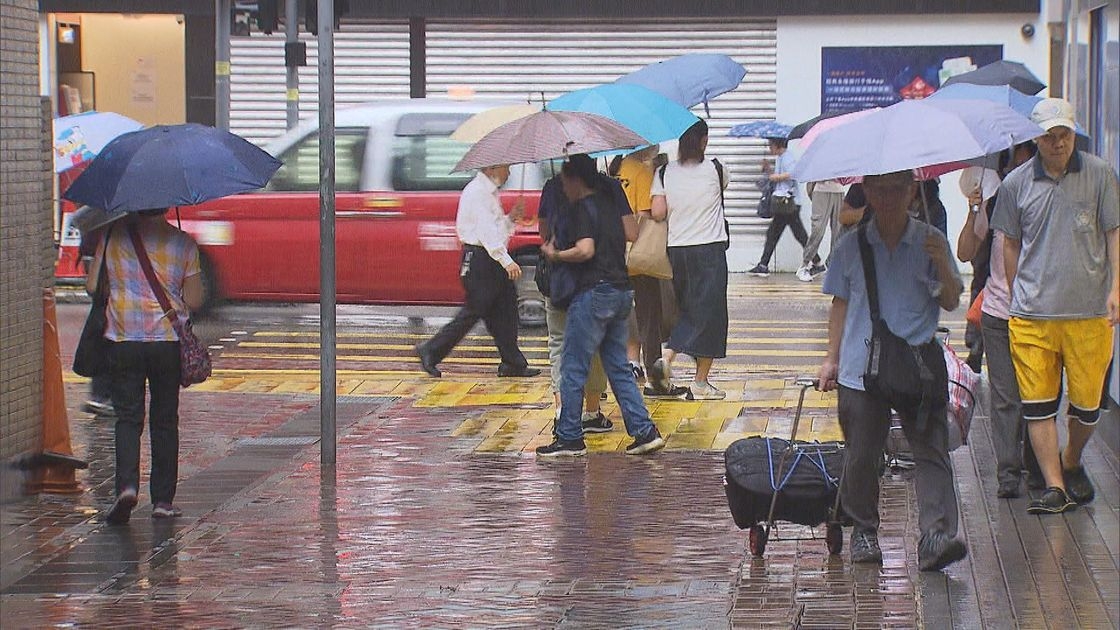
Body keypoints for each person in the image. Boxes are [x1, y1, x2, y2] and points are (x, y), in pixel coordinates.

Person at [818, 169, 967, 572]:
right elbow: (840, 305)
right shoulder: (851, 247)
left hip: (918, 367)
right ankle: (864, 529)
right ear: (866, 191)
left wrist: (945, 268)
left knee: (931, 451)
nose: (887, 197)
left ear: (912, 190)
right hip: (860, 369)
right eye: (878, 189)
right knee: (862, 456)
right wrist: (830, 358)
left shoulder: (931, 241)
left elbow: (951, 300)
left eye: (896, 188)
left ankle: (935, 535)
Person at [991, 98, 1120, 515]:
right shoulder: (1015, 184)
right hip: (1033, 315)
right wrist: (1016, 294)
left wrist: (1116, 288)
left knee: (1088, 405)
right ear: (1036, 139)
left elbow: (1113, 233)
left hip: (1090, 313)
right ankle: (1054, 485)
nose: (1058, 142)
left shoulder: (1100, 175)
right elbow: (1010, 242)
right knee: (1038, 404)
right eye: (1049, 136)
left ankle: (1072, 460)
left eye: (1065, 134)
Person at [535, 157, 665, 457]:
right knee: (618, 367)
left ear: (575, 180)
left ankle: (569, 436)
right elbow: (632, 232)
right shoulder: (611, 193)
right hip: (619, 289)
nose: (563, 187)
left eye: (567, 181)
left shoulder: (581, 205)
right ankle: (644, 432)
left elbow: (585, 249)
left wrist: (557, 254)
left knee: (572, 366)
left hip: (592, 293)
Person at [87, 209, 204, 524]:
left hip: (123, 339)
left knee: (127, 417)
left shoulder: (112, 236)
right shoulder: (183, 243)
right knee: (164, 419)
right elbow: (194, 300)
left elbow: (91, 285)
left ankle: (126, 486)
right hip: (166, 342)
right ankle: (163, 501)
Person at [957, 142, 1043, 499]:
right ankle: (1008, 471)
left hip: (1040, 313)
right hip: (997, 313)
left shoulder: (1045, 202)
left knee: (1037, 393)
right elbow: (965, 251)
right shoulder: (993, 204)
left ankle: (1034, 463)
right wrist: (974, 207)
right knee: (1006, 396)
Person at [415, 164, 541, 379]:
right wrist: (506, 260)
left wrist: (511, 219)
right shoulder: (478, 193)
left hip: (490, 258)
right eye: (506, 168)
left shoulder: (489, 193)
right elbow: (486, 233)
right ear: (492, 168)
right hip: (481, 260)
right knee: (474, 311)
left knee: (506, 308)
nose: (509, 173)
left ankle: (512, 362)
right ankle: (431, 350)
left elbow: (496, 229)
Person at [538, 157, 635, 432]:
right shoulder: (611, 187)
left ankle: (563, 414)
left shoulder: (554, 186)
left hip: (564, 281)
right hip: (608, 280)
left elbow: (544, 230)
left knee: (561, 344)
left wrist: (556, 247)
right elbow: (631, 231)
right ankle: (592, 412)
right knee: (601, 353)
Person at [649, 119, 730, 400]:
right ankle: (690, 375)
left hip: (677, 250)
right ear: (704, 141)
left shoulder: (662, 172)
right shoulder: (717, 169)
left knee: (689, 309)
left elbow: (658, 213)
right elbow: (720, 192)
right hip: (709, 249)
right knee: (711, 314)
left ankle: (672, 363)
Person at [615, 146, 687, 396]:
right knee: (649, 318)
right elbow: (648, 214)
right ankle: (655, 381)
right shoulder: (643, 172)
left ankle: (601, 381)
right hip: (639, 254)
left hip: (612, 252)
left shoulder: (614, 169)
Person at [748, 138, 816, 277]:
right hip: (784, 203)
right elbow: (779, 176)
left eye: (770, 145)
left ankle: (817, 262)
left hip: (789, 203)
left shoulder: (787, 157)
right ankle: (763, 265)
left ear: (777, 145)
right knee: (780, 234)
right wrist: (768, 169)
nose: (769, 148)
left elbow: (792, 174)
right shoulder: (780, 158)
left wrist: (775, 177)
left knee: (794, 235)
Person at [79, 224, 115, 418]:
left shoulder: (105, 234)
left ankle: (101, 394)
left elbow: (92, 286)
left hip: (108, 310)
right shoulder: (167, 240)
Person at [796, 179, 843, 281]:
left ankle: (831, 265)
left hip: (839, 190)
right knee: (818, 230)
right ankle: (804, 265)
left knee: (838, 231)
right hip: (821, 190)